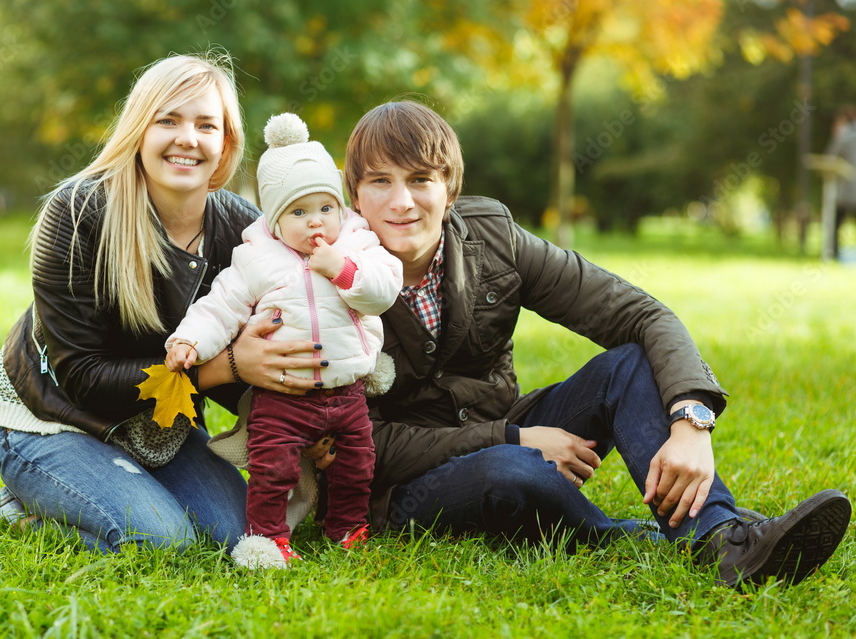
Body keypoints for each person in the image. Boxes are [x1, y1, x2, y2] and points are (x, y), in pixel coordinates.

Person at [341, 99, 852, 588]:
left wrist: (691, 418)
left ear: (448, 188)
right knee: (514, 469)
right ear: (355, 196)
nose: (402, 201)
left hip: (510, 429)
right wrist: (511, 438)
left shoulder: (493, 237)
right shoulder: (324, 282)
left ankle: (723, 540)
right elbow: (360, 441)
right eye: (380, 181)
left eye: (420, 180)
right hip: (404, 487)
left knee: (627, 365)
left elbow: (640, 315)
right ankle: (621, 536)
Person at [0, 53, 327, 553]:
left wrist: (303, 418)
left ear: (225, 142)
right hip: (52, 420)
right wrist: (225, 367)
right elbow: (82, 378)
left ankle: (114, 488)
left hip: (160, 428)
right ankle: (20, 510)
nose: (188, 138)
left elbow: (252, 358)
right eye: (168, 120)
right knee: (163, 541)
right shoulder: (79, 211)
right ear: (139, 130)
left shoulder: (245, 232)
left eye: (206, 124)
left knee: (239, 536)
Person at [164, 113, 402, 564]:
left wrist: (343, 270)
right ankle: (268, 538)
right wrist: (190, 341)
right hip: (283, 394)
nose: (316, 223)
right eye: (298, 212)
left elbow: (384, 290)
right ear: (274, 219)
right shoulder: (257, 259)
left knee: (356, 465)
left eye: (325, 208)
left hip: (347, 391)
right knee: (273, 469)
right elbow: (221, 306)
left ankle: (347, 526)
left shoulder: (356, 246)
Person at [826, 105, 856, 259]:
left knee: (836, 222)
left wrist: (837, 133)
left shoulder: (845, 135)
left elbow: (830, 157)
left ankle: (833, 253)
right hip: (850, 190)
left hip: (848, 190)